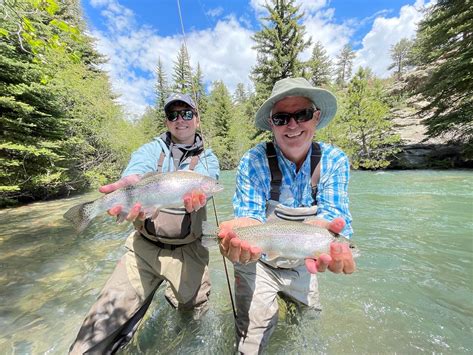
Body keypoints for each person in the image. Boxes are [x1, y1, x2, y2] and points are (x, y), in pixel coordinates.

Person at [69, 93, 220, 354]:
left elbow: (210, 178)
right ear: (167, 121)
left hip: (189, 252)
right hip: (143, 249)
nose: (180, 120)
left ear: (196, 119)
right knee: (99, 328)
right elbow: (136, 170)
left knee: (193, 319)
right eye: (173, 115)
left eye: (186, 114)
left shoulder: (208, 158)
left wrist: (203, 193)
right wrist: (130, 182)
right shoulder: (151, 149)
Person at [218, 77, 356, 354]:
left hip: (305, 263)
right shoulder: (254, 160)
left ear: (316, 117)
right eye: (282, 118)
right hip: (257, 262)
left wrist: (328, 235)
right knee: (250, 342)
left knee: (308, 327)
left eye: (302, 114)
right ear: (272, 124)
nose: (292, 125)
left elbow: (333, 213)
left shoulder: (335, 160)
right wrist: (239, 233)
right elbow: (249, 216)